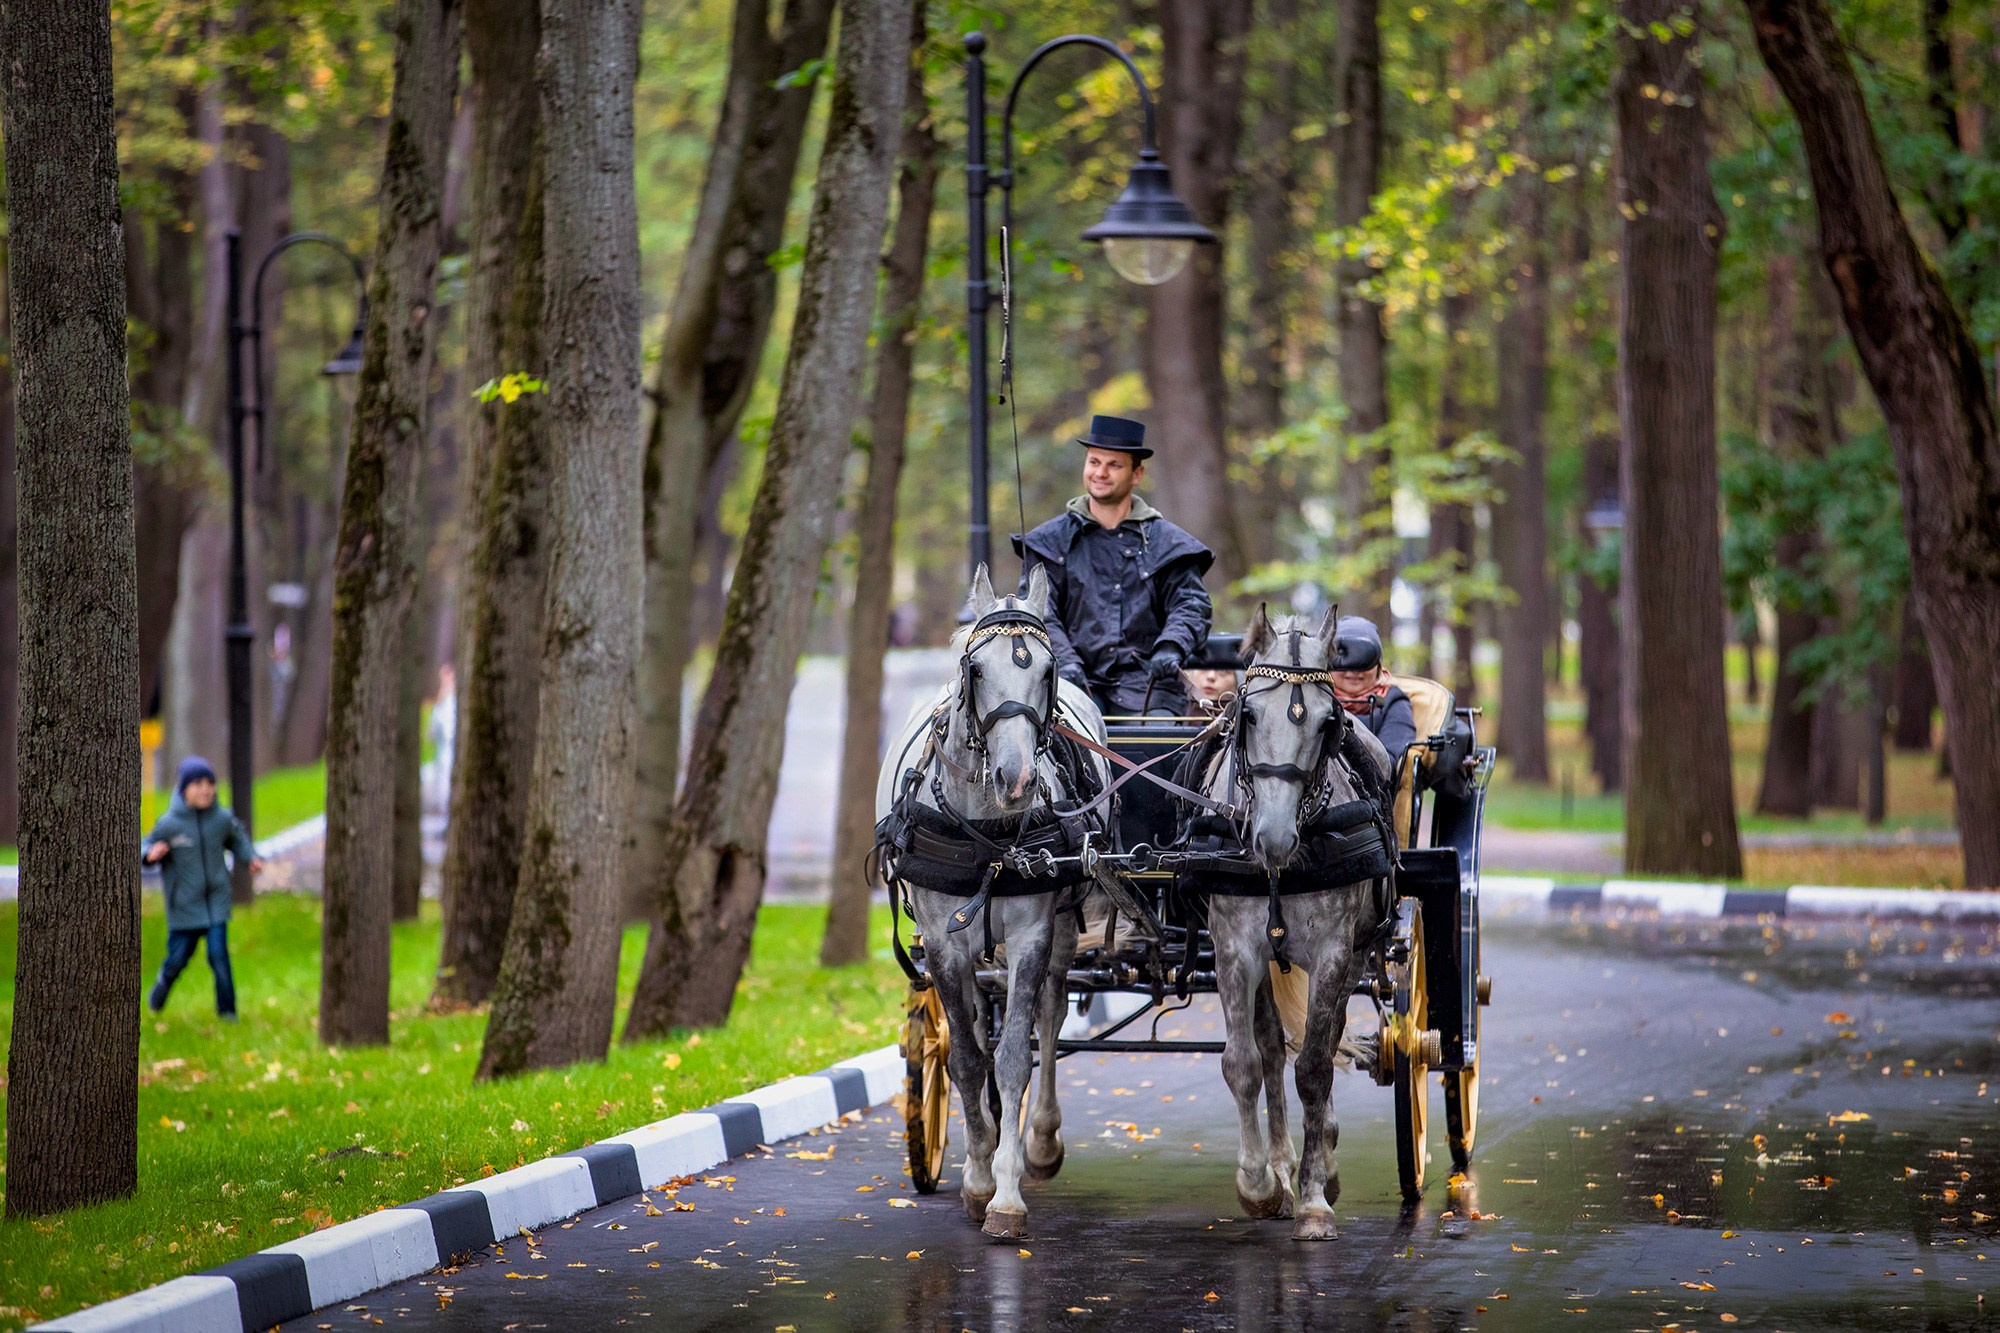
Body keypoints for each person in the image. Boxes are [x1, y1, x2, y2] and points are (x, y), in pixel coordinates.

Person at [1013, 415, 1213, 716]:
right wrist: (1064, 662)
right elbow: (1038, 610)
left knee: (1158, 751)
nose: (1101, 473)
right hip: (1069, 685)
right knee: (1059, 753)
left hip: (1149, 688)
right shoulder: (1050, 541)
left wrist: (1170, 646)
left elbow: (1190, 604)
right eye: (1094, 462)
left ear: (1137, 474)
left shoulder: (1169, 543)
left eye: (1114, 465)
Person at [143, 757, 263, 1019]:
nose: (206, 789)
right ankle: (159, 992)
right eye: (198, 783)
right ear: (184, 788)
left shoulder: (221, 819)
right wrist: (150, 854)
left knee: (219, 957)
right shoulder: (169, 824)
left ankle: (227, 1013)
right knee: (177, 960)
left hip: (216, 902)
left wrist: (251, 857)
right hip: (184, 906)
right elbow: (147, 844)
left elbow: (238, 839)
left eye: (210, 783)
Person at [1330, 615, 1416, 778]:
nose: (1353, 672)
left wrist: (1345, 725)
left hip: (1372, 796)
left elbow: (1388, 765)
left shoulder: (1393, 701)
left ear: (1377, 665)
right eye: (1342, 660)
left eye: (1363, 660)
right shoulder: (1316, 701)